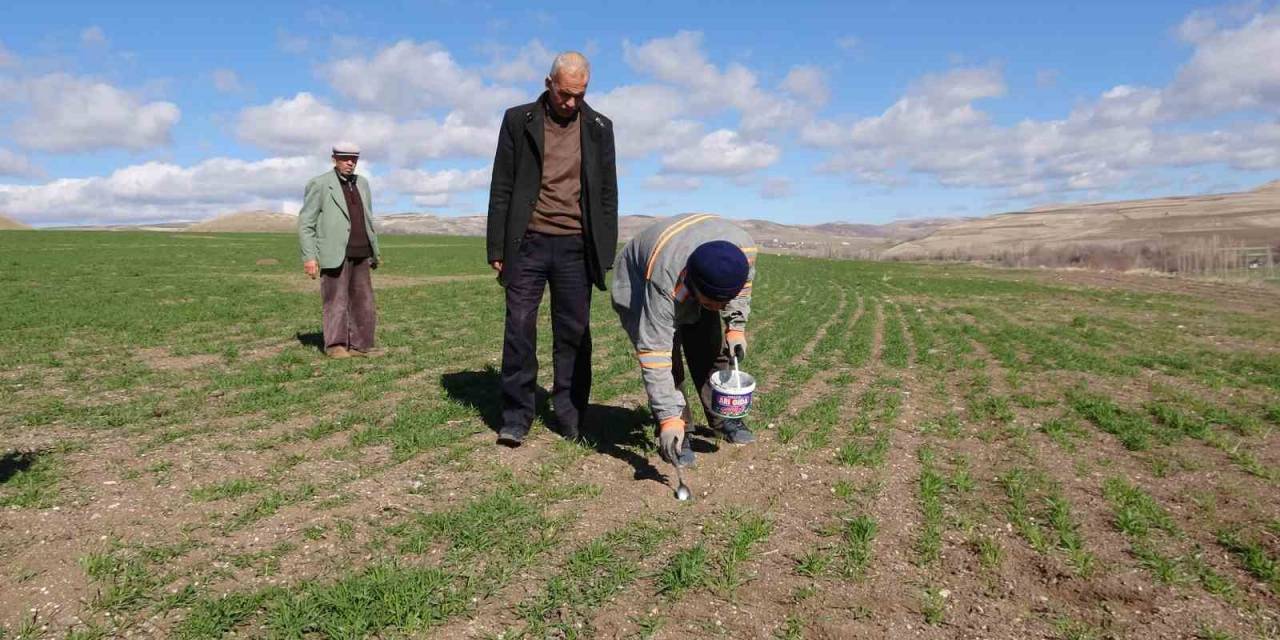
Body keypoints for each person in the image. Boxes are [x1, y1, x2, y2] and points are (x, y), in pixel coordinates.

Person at [486, 51, 618, 446]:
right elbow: (502, 186)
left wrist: (603, 251)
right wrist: (497, 245)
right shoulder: (518, 120)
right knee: (520, 329)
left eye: (580, 95)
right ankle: (516, 416)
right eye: (565, 94)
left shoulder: (599, 127)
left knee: (574, 333)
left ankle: (572, 415)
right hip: (527, 243)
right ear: (549, 84)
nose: (572, 103)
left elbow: (608, 194)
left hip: (577, 246)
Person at [611, 214, 758, 466]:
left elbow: (741, 291)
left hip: (691, 270)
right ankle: (679, 428)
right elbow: (655, 355)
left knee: (711, 348)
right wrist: (668, 418)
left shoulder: (743, 252)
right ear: (692, 284)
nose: (718, 307)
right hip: (638, 280)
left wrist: (735, 327)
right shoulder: (664, 278)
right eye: (712, 303)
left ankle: (724, 417)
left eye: (721, 302)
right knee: (669, 361)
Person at [297, 142, 381, 359]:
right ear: (334, 158)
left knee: (363, 301)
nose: (350, 163)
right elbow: (306, 222)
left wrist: (374, 249)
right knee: (335, 300)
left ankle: (360, 345)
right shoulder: (320, 183)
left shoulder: (362, 183)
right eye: (345, 158)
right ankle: (336, 345)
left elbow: (368, 217)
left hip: (362, 251)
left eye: (354, 159)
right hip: (334, 252)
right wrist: (309, 257)